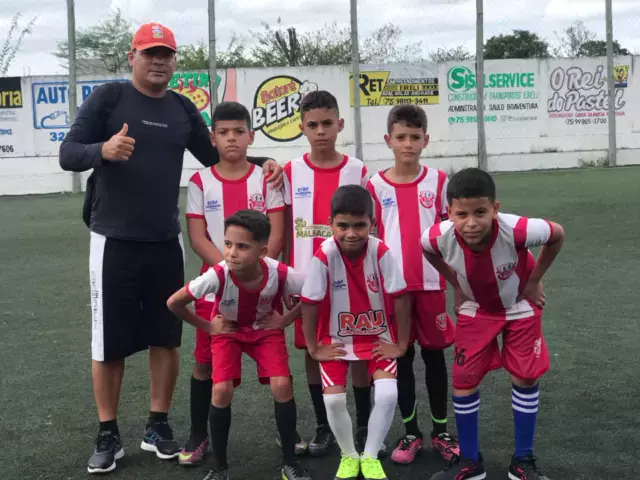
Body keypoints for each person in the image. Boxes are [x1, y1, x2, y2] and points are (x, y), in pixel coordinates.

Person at [58, 22, 283, 475]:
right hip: (112, 239)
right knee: (109, 343)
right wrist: (103, 149)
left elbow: (216, 156)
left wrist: (265, 161)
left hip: (165, 240)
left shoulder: (182, 108)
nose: (158, 61)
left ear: (175, 60)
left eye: (166, 54)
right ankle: (108, 432)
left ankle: (157, 425)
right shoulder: (109, 98)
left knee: (165, 336)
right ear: (132, 57)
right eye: (150, 53)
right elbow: (68, 153)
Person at [177, 101, 309, 465]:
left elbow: (276, 236)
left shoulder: (267, 178)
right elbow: (198, 237)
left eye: (239, 131)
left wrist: (255, 272)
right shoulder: (200, 181)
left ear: (251, 136)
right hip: (217, 288)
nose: (231, 138)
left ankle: (289, 432)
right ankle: (199, 433)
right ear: (212, 138)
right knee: (205, 363)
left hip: (262, 286)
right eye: (223, 132)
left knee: (277, 366)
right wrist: (229, 274)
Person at [422, 168, 564, 480]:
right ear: (449, 212)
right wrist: (457, 285)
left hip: (520, 306)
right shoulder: (436, 237)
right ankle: (470, 462)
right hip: (476, 308)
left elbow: (557, 234)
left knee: (525, 378)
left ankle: (523, 461)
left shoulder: (518, 230)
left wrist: (534, 280)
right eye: (462, 214)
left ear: (495, 209)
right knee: (464, 382)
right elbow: (428, 252)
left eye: (480, 212)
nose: (471, 223)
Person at [167, 210, 312, 480]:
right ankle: (219, 467)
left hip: (265, 332)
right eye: (228, 244)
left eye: (242, 246)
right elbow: (174, 302)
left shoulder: (280, 273)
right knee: (221, 390)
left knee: (282, 384)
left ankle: (290, 462)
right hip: (228, 333)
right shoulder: (217, 275)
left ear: (262, 251)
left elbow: (315, 290)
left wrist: (285, 320)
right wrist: (208, 327)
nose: (232, 253)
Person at [282, 90, 376, 457]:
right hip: (306, 282)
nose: (320, 131)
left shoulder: (357, 170)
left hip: (352, 282)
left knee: (359, 351)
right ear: (301, 127)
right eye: (312, 125)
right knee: (313, 350)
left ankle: (365, 423)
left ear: (340, 124)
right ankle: (324, 426)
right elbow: (283, 226)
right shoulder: (289, 171)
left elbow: (368, 225)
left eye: (327, 123)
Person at [366, 105, 459, 465]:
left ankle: (441, 431)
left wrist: (457, 281)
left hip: (431, 284)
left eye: (414, 137)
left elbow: (450, 235)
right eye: (401, 137)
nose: (408, 143)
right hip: (392, 289)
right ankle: (410, 432)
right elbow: (371, 237)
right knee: (401, 357)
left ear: (426, 140)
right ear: (388, 140)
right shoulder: (375, 185)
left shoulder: (439, 181)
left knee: (434, 357)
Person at [301, 185, 411, 480]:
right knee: (334, 400)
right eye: (343, 225)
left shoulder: (381, 251)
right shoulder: (325, 254)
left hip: (377, 338)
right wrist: (313, 347)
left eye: (360, 225)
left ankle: (370, 455)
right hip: (336, 339)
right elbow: (309, 302)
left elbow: (401, 296)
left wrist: (400, 344)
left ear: (372, 223)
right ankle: (349, 455)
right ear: (330, 224)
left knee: (387, 394)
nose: (351, 233)